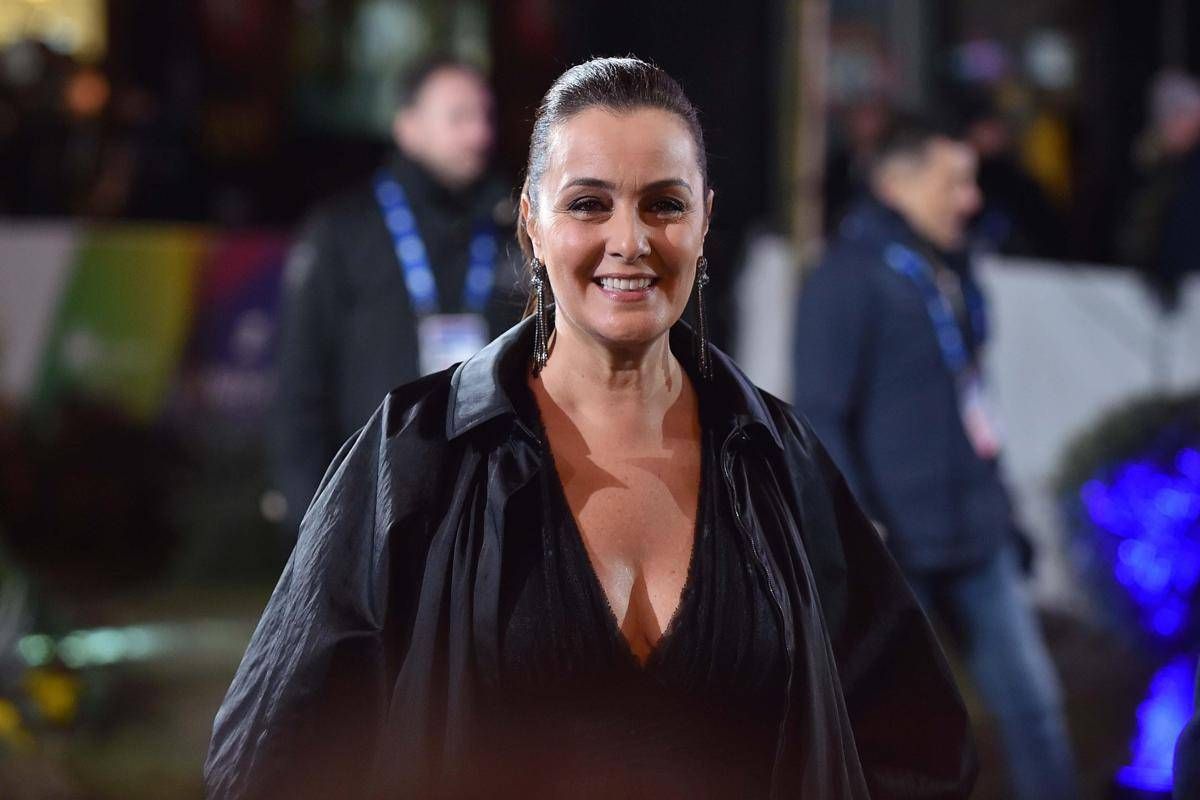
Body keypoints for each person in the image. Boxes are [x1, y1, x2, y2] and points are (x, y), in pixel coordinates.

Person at [206, 58, 976, 799]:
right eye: (588, 204)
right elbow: (266, 757)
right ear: (532, 223)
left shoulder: (779, 459)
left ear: (705, 221)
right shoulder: (413, 456)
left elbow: (922, 746)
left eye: (664, 204)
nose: (630, 240)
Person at [793, 113, 1079, 800]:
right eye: (954, 183)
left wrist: (1000, 508)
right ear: (897, 183)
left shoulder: (949, 265)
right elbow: (821, 415)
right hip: (898, 551)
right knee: (896, 734)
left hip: (978, 534)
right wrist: (862, 534)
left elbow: (972, 399)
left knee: (1035, 710)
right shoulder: (845, 277)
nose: (971, 200)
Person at [271, 55, 521, 528]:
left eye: (485, 116)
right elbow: (299, 386)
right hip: (370, 508)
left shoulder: (513, 228)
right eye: (459, 117)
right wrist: (310, 519)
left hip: (489, 508)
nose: (479, 134)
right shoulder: (343, 231)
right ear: (408, 128)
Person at [1119, 70, 1200, 309]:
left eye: (1176, 118)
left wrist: (1169, 270)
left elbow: (1185, 222)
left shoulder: (1190, 170)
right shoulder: (1161, 165)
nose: (1167, 128)